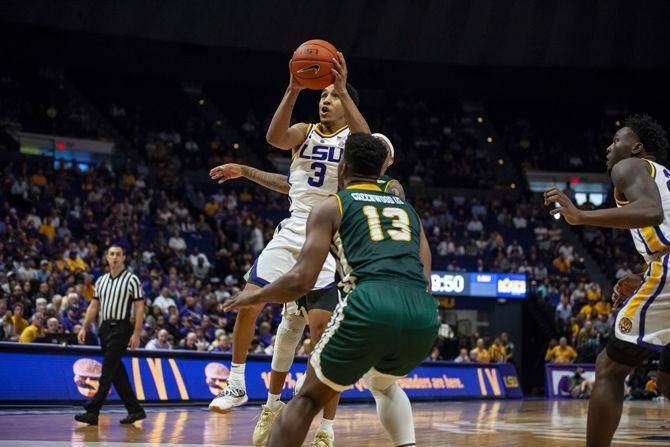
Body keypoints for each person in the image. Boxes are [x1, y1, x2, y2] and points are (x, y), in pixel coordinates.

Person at [223, 133, 438, 447]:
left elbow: (300, 281)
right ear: (382, 169)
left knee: (307, 398)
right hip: (422, 314)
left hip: (372, 304)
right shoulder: (407, 211)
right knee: (384, 386)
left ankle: (281, 409)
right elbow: (426, 273)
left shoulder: (333, 205)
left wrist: (256, 295)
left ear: (344, 165)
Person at [207, 51, 370, 447]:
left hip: (331, 237)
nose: (326, 100)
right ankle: (237, 383)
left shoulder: (357, 143)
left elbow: (367, 143)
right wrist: (294, 87)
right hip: (293, 231)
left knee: (322, 333)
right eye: (324, 95)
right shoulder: (305, 131)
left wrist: (344, 90)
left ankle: (326, 426)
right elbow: (277, 146)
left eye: (333, 96)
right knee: (248, 300)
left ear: (346, 102)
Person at [544, 114, 670, 446]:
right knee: (668, 380)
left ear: (637, 147)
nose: (609, 147)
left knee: (609, 368)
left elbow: (650, 212)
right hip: (661, 265)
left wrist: (580, 215)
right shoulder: (664, 176)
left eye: (617, 140)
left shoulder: (629, 167)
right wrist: (644, 275)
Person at [74, 245, 146, 426]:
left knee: (107, 368)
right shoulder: (101, 281)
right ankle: (135, 410)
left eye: (118, 254)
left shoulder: (131, 279)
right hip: (104, 328)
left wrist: (136, 333)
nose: (115, 257)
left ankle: (93, 410)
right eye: (112, 254)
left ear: (124, 258)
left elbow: (139, 308)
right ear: (107, 257)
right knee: (116, 371)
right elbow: (93, 307)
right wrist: (84, 327)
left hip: (122, 328)